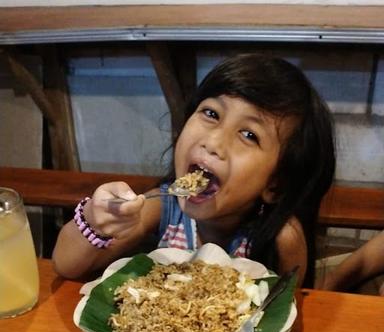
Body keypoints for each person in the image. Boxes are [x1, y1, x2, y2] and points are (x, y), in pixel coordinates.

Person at [52, 53, 336, 287]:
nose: (213, 143)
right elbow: (66, 265)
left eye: (249, 135)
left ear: (275, 185)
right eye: (211, 113)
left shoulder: (282, 239)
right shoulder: (164, 207)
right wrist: (95, 221)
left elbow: (283, 315)